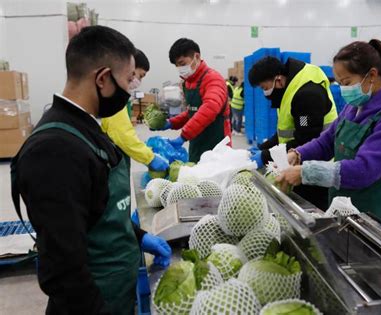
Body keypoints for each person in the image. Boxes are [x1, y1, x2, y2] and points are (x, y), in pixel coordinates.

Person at [10, 26, 171, 314]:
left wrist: (136, 236)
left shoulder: (87, 127)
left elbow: (95, 211)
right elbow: (63, 268)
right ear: (103, 78)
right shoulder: (54, 150)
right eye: (129, 79)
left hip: (116, 293)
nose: (132, 90)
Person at [277, 39, 381, 231]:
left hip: (377, 211)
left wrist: (306, 172)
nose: (343, 89)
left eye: (347, 82)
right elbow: (327, 141)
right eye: (340, 83)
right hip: (345, 205)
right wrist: (298, 154)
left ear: (372, 75)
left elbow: (365, 169)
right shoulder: (355, 106)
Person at [248, 56, 338, 210]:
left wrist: (265, 156)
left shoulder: (307, 95)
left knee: (312, 216)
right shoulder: (288, 90)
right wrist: (263, 148)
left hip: (317, 169)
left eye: (265, 88)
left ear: (278, 79)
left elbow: (306, 138)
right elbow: (285, 134)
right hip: (297, 163)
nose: (265, 93)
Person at [161, 38, 231, 163]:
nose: (180, 68)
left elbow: (210, 108)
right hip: (196, 143)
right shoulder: (187, 83)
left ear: (196, 57)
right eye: (177, 65)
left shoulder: (213, 79)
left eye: (182, 64)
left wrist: (184, 135)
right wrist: (171, 123)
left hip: (217, 146)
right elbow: (192, 112)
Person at [101, 49, 168, 172]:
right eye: (139, 75)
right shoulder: (113, 96)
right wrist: (150, 158)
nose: (138, 81)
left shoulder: (114, 93)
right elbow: (123, 134)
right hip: (109, 160)